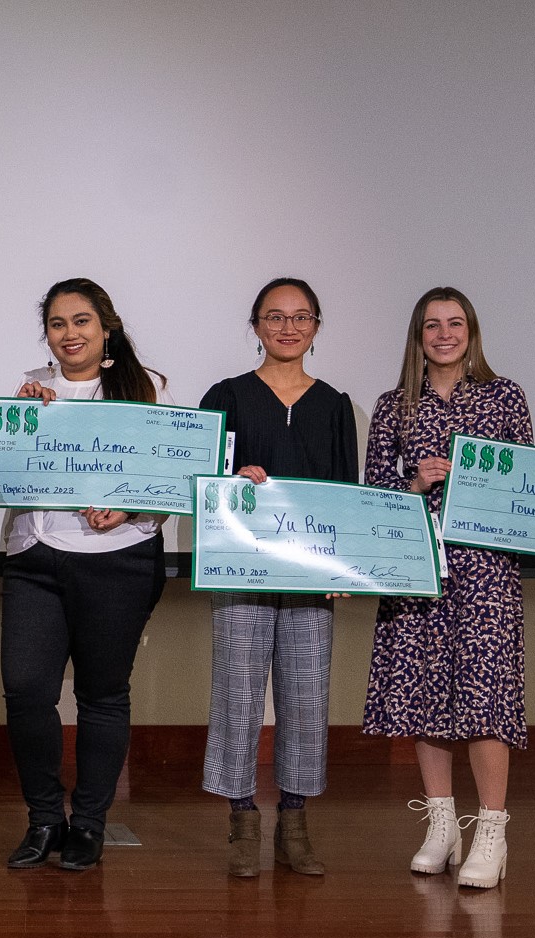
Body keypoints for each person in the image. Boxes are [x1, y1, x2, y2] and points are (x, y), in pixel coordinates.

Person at [363, 287, 535, 889]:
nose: (444, 334)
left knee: (486, 696)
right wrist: (413, 483)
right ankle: (442, 826)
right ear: (417, 336)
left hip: (486, 572)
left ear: (472, 331)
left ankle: (492, 830)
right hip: (418, 571)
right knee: (425, 697)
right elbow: (371, 505)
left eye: (455, 323)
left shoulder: (504, 395)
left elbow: (534, 491)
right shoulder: (394, 407)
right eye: (432, 325)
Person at [0, 279, 167, 872]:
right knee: (26, 690)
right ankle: (43, 819)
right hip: (35, 558)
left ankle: (87, 824)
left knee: (102, 696)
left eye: (81, 321)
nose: (70, 334)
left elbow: (171, 476)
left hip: (120, 560)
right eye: (58, 324)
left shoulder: (146, 389)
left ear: (105, 327)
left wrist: (130, 507)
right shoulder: (29, 392)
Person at [199, 278, 358, 878]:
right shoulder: (228, 396)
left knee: (306, 697)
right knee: (238, 695)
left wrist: (346, 568)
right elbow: (201, 480)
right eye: (274, 317)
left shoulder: (336, 404)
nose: (288, 328)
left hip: (311, 576)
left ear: (316, 327)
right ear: (256, 325)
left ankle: (294, 820)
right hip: (241, 570)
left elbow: (347, 493)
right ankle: (242, 818)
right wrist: (233, 477)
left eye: (301, 317)